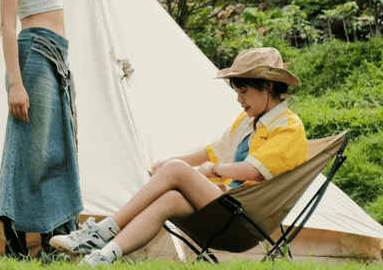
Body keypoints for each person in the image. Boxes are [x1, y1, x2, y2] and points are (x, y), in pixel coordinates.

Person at [50, 47, 307, 266]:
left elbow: (253, 171)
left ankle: (102, 230)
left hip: (246, 216)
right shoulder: (248, 121)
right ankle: (101, 257)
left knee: (174, 169)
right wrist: (172, 163)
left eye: (244, 91)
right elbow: (214, 149)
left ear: (269, 85)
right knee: (169, 199)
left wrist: (210, 170)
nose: (239, 99)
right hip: (225, 206)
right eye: (237, 92)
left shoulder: (288, 127)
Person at [0, 0, 83, 261]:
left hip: (57, 54)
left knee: (57, 146)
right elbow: (7, 22)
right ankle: (16, 236)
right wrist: (16, 83)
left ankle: (56, 237)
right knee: (31, 148)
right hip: (32, 53)